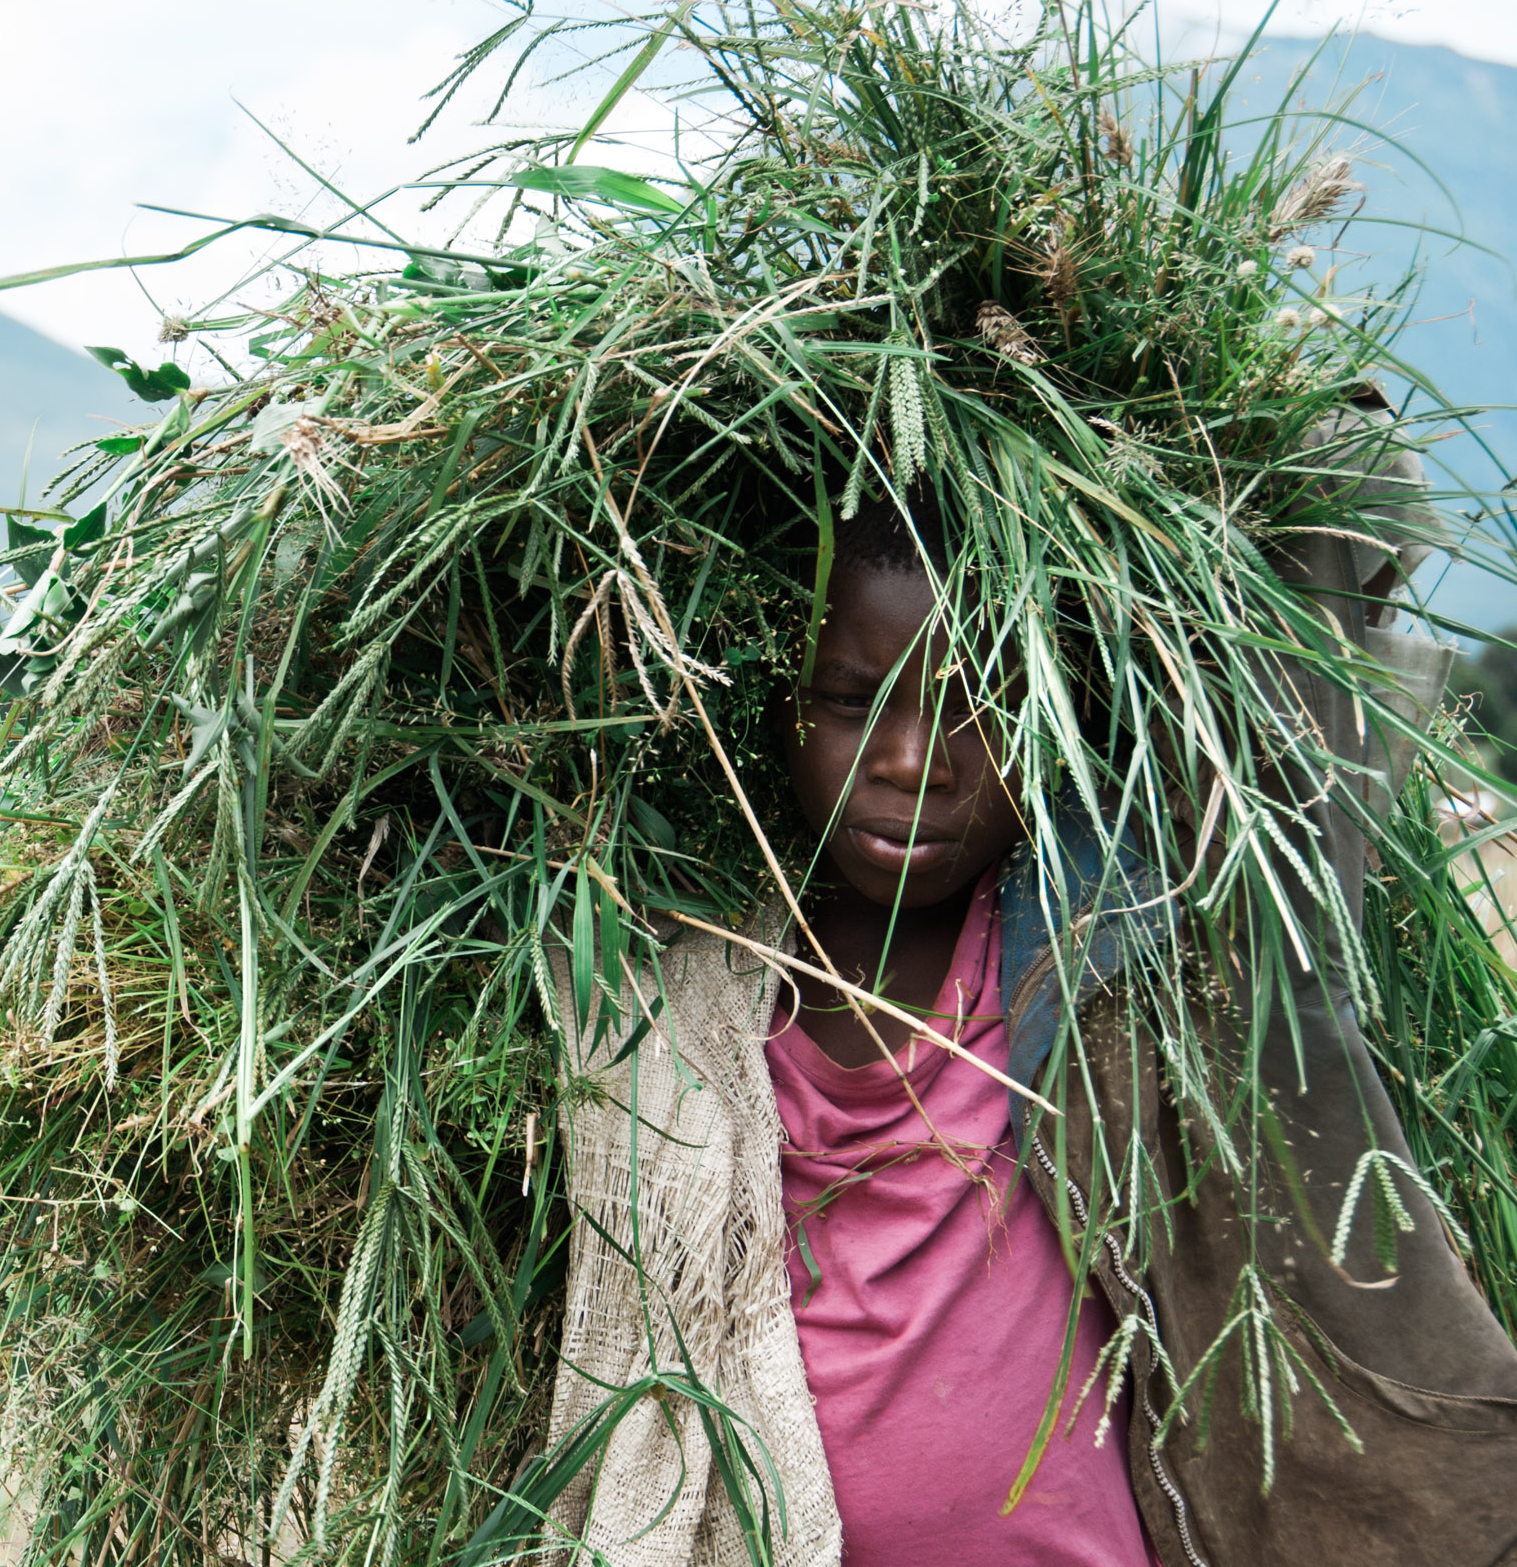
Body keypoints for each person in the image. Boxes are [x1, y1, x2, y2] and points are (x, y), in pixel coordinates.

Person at [543, 493, 1517, 1566]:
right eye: (851, 699)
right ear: (777, 711)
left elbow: (1305, 642)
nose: (914, 761)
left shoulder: (1104, 955)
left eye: (977, 704)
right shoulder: (680, 1006)